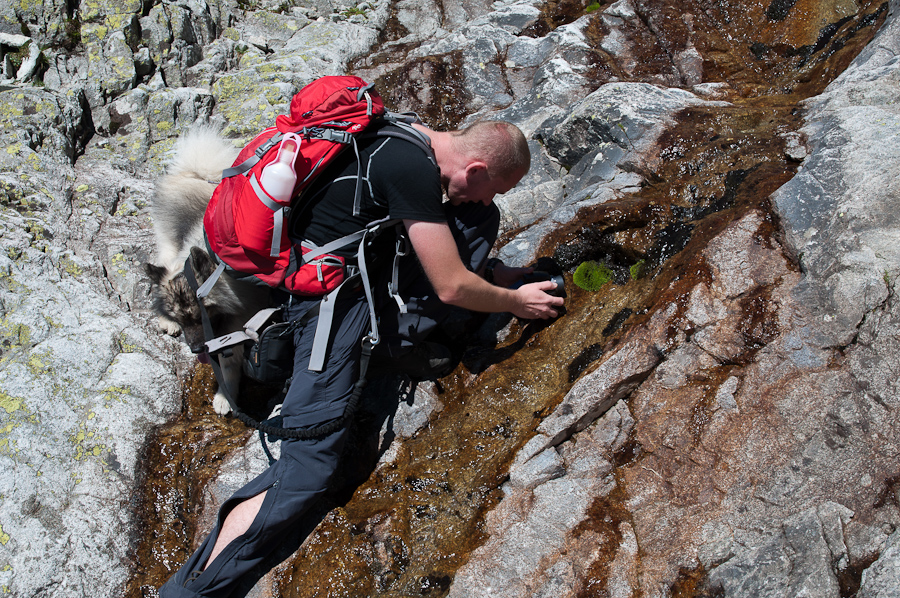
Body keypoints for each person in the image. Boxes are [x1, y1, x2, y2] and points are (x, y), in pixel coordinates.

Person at [159, 119, 564, 597]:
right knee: (309, 470)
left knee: (475, 222)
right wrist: (517, 303)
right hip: (328, 312)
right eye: (493, 188)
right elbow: (452, 285)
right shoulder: (412, 172)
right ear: (475, 167)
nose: (488, 199)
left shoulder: (404, 134)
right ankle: (191, 590)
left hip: (339, 283)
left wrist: (498, 273)